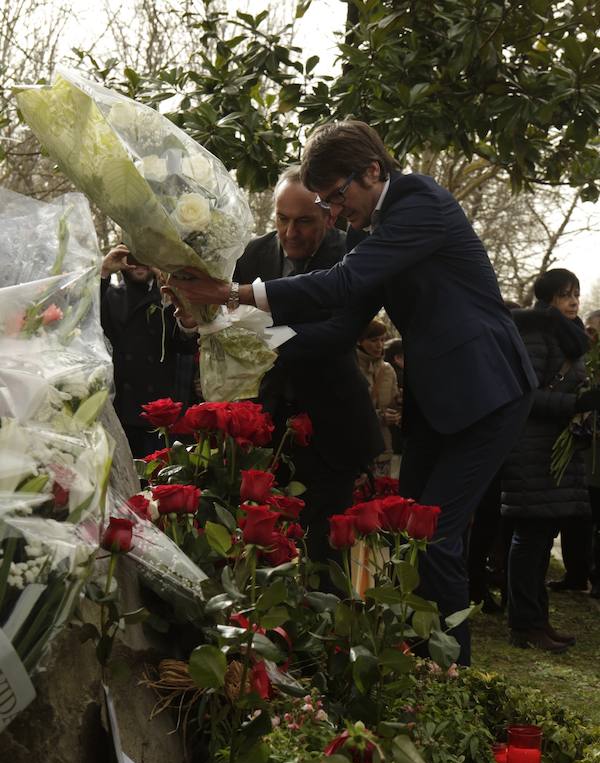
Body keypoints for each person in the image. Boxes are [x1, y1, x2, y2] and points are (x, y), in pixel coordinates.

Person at [164, 119, 537, 665]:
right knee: (403, 532)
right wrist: (232, 331)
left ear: (373, 170)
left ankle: (454, 680)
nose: (334, 215)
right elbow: (340, 327)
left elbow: (337, 284)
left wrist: (230, 293)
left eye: (335, 199)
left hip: (488, 391)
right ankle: (413, 664)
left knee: (433, 539)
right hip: (439, 402)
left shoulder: (420, 204)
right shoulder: (372, 232)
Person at [233, 166, 383, 575]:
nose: (291, 232)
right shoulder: (252, 255)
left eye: (305, 221)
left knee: (323, 556)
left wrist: (254, 334)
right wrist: (194, 314)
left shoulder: (355, 255)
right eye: (282, 219)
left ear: (330, 216)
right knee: (261, 545)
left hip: (331, 427)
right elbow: (218, 314)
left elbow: (335, 335)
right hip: (264, 425)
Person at [502, 268, 599, 652]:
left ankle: (537, 620)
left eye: (575, 293)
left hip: (551, 449)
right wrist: (575, 403)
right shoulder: (534, 331)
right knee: (530, 540)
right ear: (546, 299)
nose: (573, 301)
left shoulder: (567, 334)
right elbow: (523, 394)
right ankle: (525, 624)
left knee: (541, 541)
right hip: (532, 449)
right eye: (564, 294)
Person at [100, 244, 198, 458]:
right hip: (123, 410)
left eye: (145, 256)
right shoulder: (112, 297)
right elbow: (88, 314)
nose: (139, 263)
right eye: (134, 256)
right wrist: (105, 271)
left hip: (160, 412)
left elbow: (186, 345)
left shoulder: (166, 298)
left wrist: (165, 278)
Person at [356, 318, 400, 477]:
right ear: (360, 341)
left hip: (383, 446)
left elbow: (393, 404)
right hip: (359, 447)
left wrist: (399, 405)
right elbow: (350, 410)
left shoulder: (387, 369)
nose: (379, 345)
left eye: (382, 340)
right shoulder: (352, 367)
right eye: (373, 340)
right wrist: (379, 417)